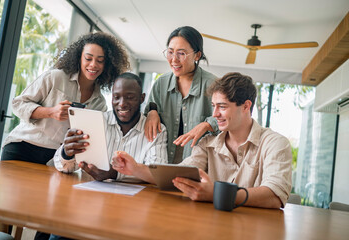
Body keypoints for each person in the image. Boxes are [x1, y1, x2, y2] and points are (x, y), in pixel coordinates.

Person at [112, 72, 292, 209]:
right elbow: (176, 175)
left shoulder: (275, 144)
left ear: (246, 106)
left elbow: (275, 196)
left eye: (222, 107)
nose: (214, 115)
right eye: (214, 106)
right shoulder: (207, 144)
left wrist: (218, 194)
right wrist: (135, 168)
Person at [1, 32, 130, 166]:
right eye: (88, 58)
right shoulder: (55, 77)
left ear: (107, 64)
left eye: (100, 60)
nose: (93, 65)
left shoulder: (100, 103)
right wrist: (51, 112)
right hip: (23, 147)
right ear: (79, 58)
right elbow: (18, 104)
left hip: (55, 159)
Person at [53, 72, 168, 182]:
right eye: (116, 97)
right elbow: (64, 167)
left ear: (142, 98)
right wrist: (66, 153)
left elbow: (158, 175)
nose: (122, 103)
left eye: (130, 97)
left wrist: (114, 173)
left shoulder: (157, 130)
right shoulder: (95, 122)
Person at [144, 26, 218, 164]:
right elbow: (149, 111)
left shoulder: (213, 84)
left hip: (199, 162)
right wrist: (152, 111)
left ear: (197, 55)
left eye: (181, 54)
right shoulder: (160, 83)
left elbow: (226, 119)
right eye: (170, 52)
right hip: (162, 159)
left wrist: (207, 125)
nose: (174, 60)